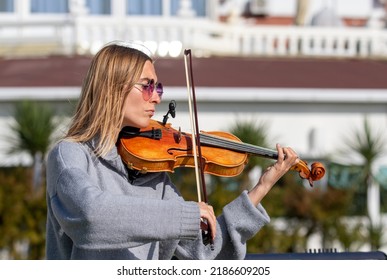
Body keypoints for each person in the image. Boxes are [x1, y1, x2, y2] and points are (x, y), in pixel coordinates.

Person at [45, 41, 299, 260]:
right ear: (112, 87)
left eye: (158, 88)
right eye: (147, 86)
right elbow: (90, 218)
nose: (156, 97)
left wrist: (261, 188)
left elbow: (208, 253)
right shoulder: (70, 155)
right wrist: (185, 215)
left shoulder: (153, 176)